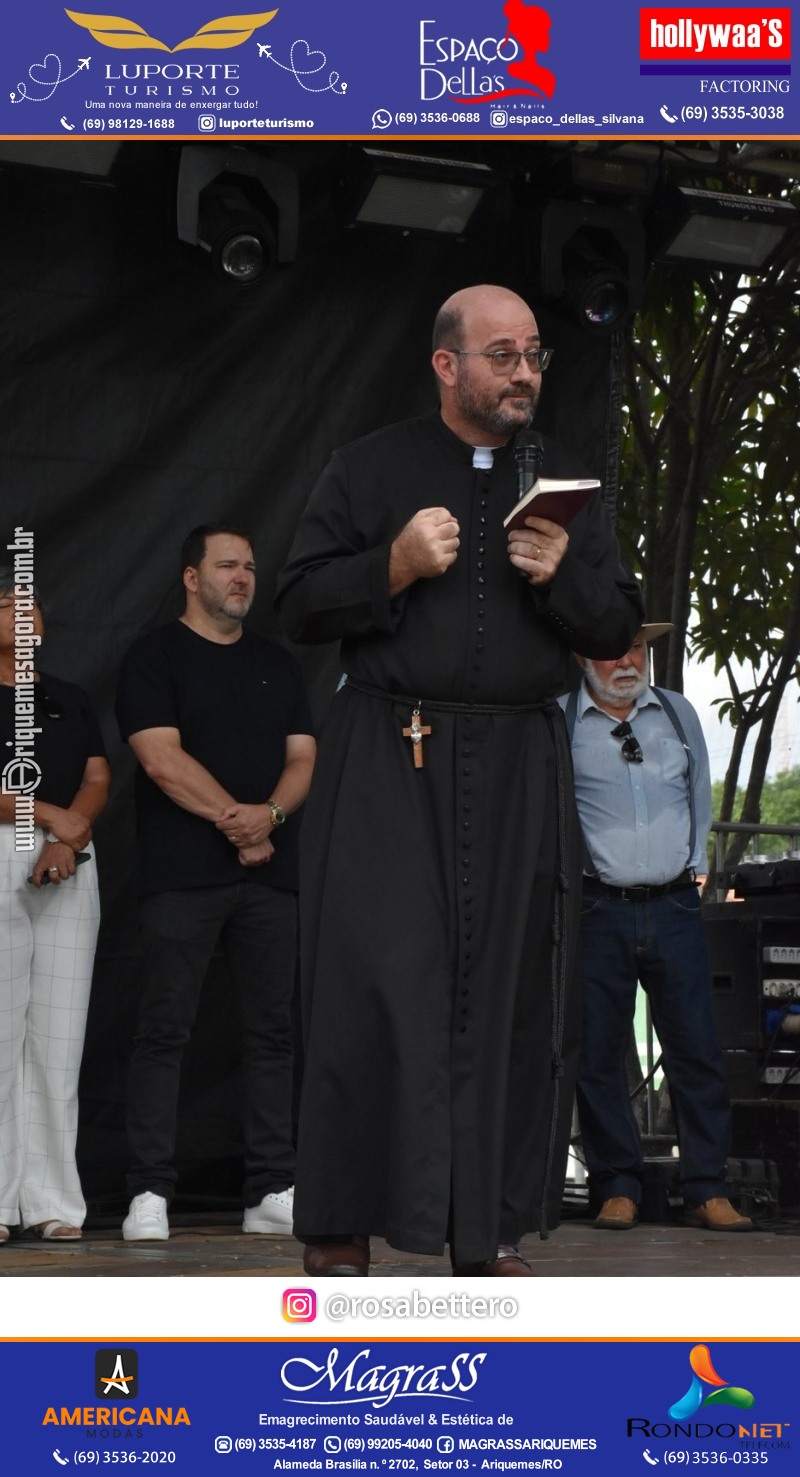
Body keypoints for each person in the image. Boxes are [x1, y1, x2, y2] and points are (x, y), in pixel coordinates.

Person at [275, 283, 644, 1276]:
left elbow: (612, 628)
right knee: (371, 985)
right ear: (446, 365)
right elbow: (299, 603)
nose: (523, 371)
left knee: (505, 994)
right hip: (387, 756)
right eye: (501, 355)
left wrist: (560, 571)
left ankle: (481, 1230)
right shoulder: (369, 467)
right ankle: (342, 1220)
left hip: (518, 761)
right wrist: (389, 566)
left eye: (532, 354)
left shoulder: (564, 477)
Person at [115, 525, 316, 1242]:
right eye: (227, 565)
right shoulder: (152, 655)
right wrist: (243, 823)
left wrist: (270, 815)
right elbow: (160, 759)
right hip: (181, 875)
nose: (243, 576)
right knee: (164, 1030)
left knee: (273, 1035)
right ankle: (147, 1194)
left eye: (251, 567)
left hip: (272, 878)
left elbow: (303, 759)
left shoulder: (277, 663)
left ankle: (270, 1187)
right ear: (191, 578)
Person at [560, 624, 753, 1232]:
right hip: (598, 907)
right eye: (612, 647)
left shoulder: (676, 712)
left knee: (696, 1046)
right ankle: (617, 1186)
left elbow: (698, 792)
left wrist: (694, 866)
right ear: (580, 656)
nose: (626, 660)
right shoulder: (562, 720)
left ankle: (706, 1186)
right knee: (597, 1054)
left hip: (673, 905)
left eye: (637, 647)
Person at [0, 566, 109, 1242]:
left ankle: (53, 1202)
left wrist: (70, 831)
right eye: (10, 606)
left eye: (33, 608)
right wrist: (43, 812)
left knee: (59, 1037)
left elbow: (98, 773)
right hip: (5, 841)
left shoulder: (69, 696)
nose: (25, 617)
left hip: (68, 855)